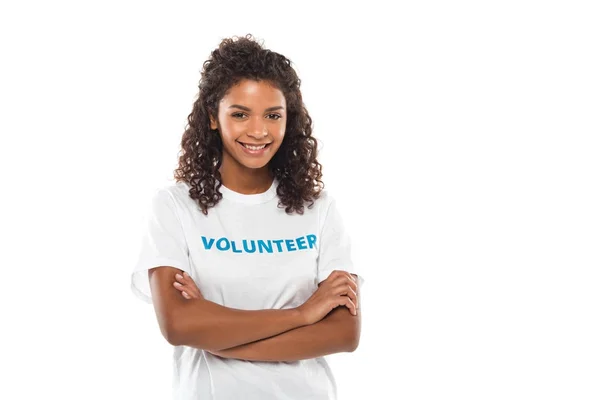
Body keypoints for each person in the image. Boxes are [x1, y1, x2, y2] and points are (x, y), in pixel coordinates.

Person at [130, 34, 365, 400]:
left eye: (273, 115)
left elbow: (343, 334)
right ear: (213, 117)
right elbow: (178, 325)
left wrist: (219, 337)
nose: (258, 131)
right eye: (240, 114)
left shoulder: (319, 209)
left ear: (290, 119)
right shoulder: (175, 207)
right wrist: (302, 314)